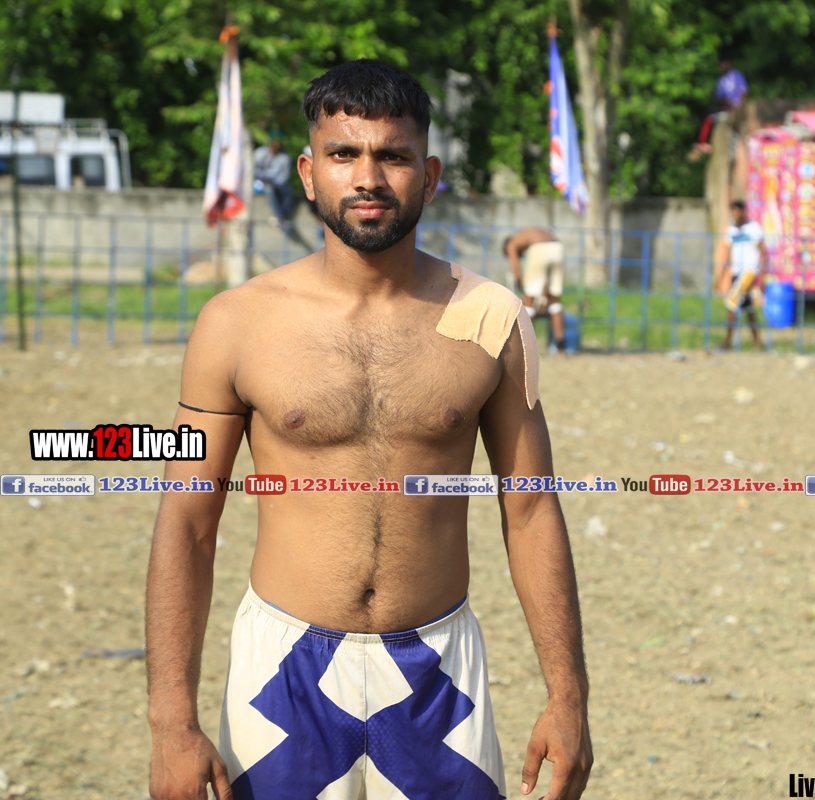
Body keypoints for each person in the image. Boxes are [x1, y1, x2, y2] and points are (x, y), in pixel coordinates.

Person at [146, 60, 591, 800]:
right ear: (308, 172)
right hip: (281, 666)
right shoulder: (236, 323)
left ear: (430, 174)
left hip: (437, 672)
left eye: (394, 155)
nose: (368, 178)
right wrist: (170, 723)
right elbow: (187, 521)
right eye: (343, 153)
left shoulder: (490, 319)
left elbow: (532, 508)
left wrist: (568, 698)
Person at [503, 228, 567, 353]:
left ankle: (524, 347)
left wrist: (521, 289)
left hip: (540, 249)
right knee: (554, 300)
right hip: (558, 247)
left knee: (529, 300)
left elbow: (516, 270)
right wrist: (544, 295)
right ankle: (561, 349)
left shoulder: (511, 244)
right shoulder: (526, 234)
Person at [718, 200, 764, 349]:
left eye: (737, 210)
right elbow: (727, 254)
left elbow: (763, 252)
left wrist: (763, 276)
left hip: (749, 271)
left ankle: (727, 343)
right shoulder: (731, 230)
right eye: (733, 211)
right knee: (748, 309)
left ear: (744, 211)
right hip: (736, 271)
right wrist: (721, 276)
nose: (735, 214)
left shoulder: (754, 228)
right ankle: (758, 343)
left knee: (731, 303)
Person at [688, 54, 748, 161]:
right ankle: (701, 143)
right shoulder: (721, 79)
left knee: (709, 118)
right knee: (705, 113)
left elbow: (744, 91)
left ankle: (703, 143)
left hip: (736, 108)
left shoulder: (737, 75)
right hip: (725, 108)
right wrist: (726, 101)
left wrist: (738, 105)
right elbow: (718, 97)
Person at [253, 135, 296, 227]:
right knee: (269, 190)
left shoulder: (284, 158)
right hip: (260, 181)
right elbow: (253, 168)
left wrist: (276, 184)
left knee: (289, 193)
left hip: (277, 183)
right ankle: (281, 219)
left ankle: (280, 217)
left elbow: (284, 176)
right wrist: (262, 178)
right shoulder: (261, 152)